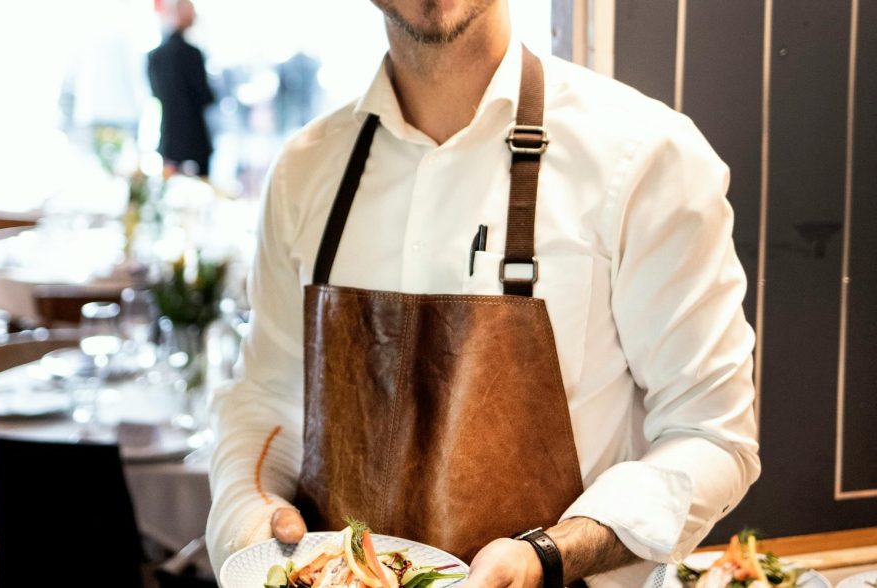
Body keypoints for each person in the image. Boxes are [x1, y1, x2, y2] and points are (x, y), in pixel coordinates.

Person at [206, 1, 761, 586]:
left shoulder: (644, 155)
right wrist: (251, 523)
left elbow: (711, 436)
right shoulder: (304, 170)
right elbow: (265, 398)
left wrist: (550, 554)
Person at [147, 0, 216, 177]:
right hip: (195, 140)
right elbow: (204, 96)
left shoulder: (154, 56)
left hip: (169, 140)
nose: (195, 16)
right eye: (191, 10)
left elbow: (155, 94)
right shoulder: (192, 53)